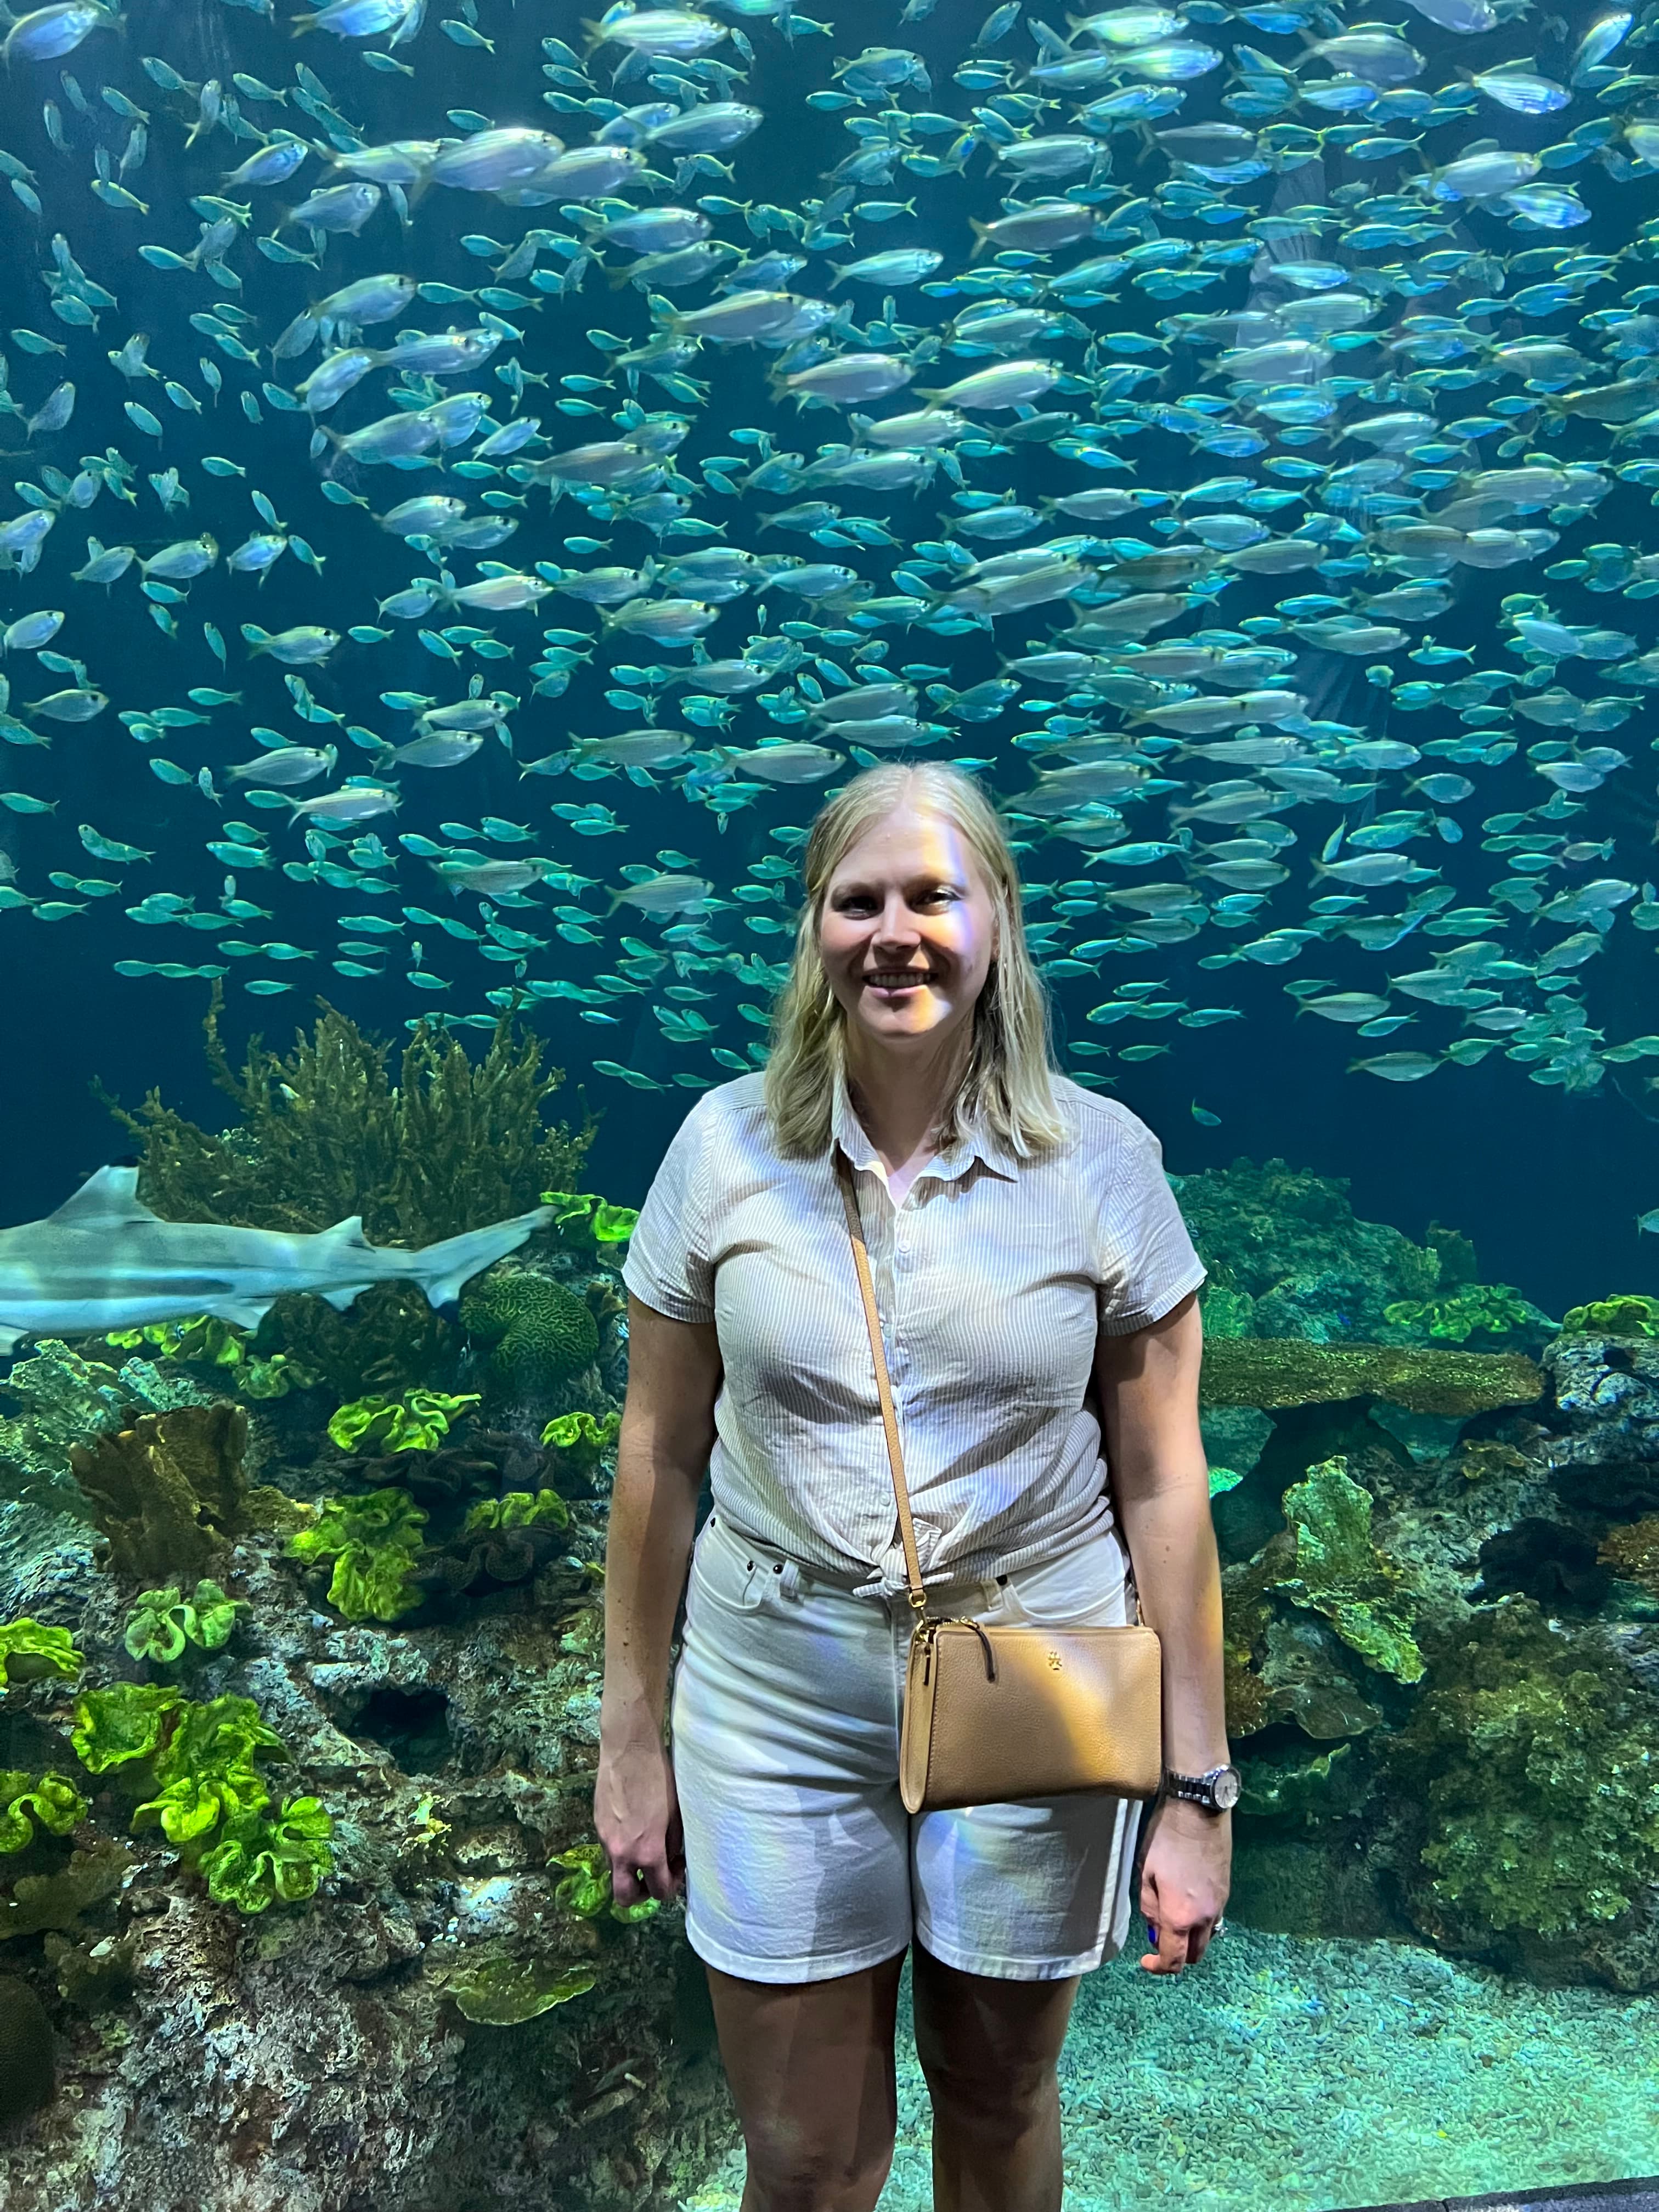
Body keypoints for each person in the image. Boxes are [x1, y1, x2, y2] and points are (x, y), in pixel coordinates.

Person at [597, 761, 1232, 2212]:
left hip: (1040, 1665)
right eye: (858, 899)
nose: (898, 931)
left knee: (1001, 2091)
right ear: (815, 930)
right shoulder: (719, 1150)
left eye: (934, 896)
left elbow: (1166, 1487)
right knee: (808, 2157)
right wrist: (629, 1738)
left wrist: (1199, 1789)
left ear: (997, 920)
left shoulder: (1105, 1163)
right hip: (775, 1684)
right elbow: (658, 1456)